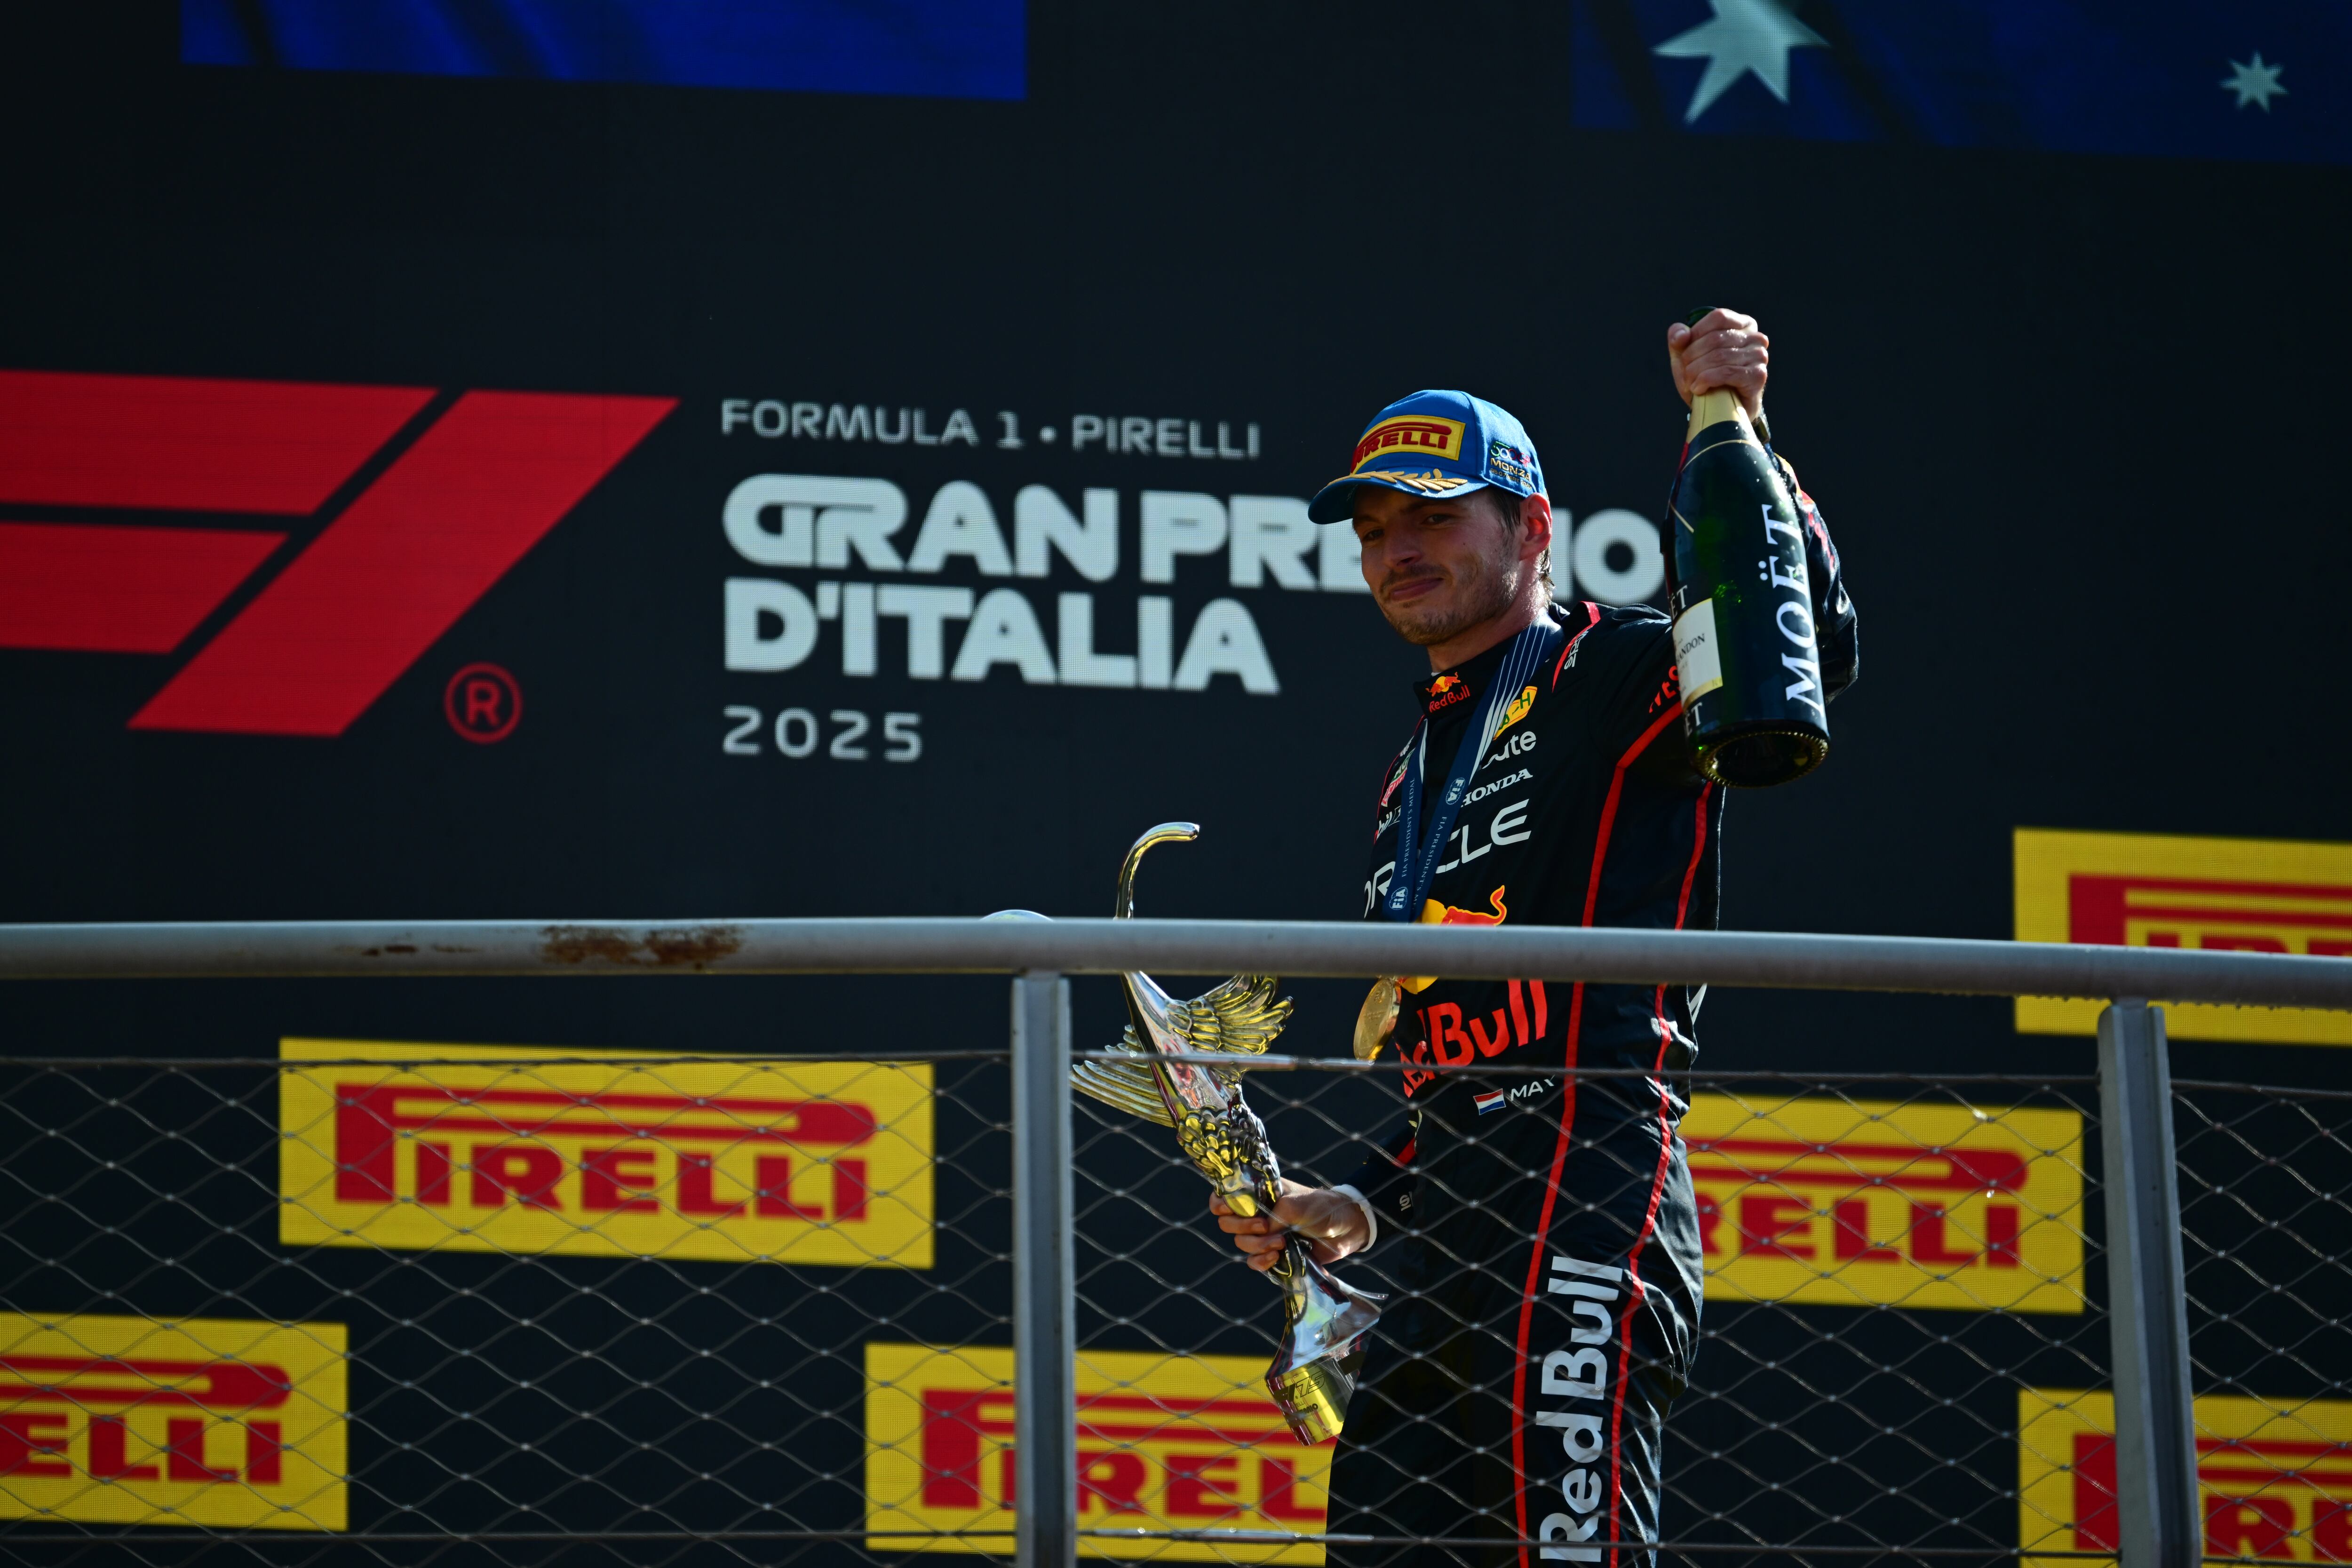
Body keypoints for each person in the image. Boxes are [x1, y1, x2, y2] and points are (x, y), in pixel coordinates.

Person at [1210, 310, 1859, 1567]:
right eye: (1377, 529)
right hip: (1445, 1237)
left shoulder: (1610, 674)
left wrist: (1740, 435)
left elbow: (1798, 647)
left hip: (1589, 1188)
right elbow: (1444, 1050)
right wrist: (1358, 1202)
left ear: (1535, 528)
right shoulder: (1416, 773)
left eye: (1436, 516)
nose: (1399, 549)